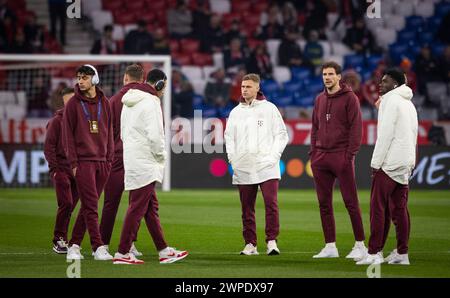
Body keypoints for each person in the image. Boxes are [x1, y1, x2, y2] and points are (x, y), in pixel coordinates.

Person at [112, 69, 188, 265]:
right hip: (146, 160)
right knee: (137, 206)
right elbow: (156, 136)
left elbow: (122, 133)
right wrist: (161, 156)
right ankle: (122, 252)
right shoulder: (151, 102)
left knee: (150, 207)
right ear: (160, 84)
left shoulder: (129, 101)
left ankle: (163, 250)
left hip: (133, 158)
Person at [357, 68, 418, 265]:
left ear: (395, 85)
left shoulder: (390, 101)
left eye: (385, 81)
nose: (380, 84)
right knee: (400, 209)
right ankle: (402, 253)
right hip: (405, 161)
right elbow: (413, 133)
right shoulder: (408, 103)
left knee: (378, 207)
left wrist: (376, 163)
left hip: (390, 163)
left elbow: (385, 135)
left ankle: (374, 253)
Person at [224, 73, 288, 256]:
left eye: (249, 86)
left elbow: (282, 135)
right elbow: (229, 138)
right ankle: (250, 244)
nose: (245, 90)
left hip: (267, 165)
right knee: (247, 208)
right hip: (243, 166)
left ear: (258, 88)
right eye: (243, 87)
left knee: (271, 203)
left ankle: (272, 242)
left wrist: (273, 157)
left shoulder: (269, 109)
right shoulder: (236, 112)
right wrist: (232, 159)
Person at [310, 61, 366, 260]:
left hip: (341, 155)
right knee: (324, 203)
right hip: (321, 157)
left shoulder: (350, 98)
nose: (327, 77)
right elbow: (315, 127)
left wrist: (349, 155)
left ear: (339, 77)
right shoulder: (319, 99)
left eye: (331, 74)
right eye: (324, 74)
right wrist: (313, 152)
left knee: (351, 202)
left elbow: (356, 128)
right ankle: (330, 246)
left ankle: (360, 244)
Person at [64, 65, 114, 261]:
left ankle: (74, 245)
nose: (80, 81)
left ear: (95, 79)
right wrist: (73, 163)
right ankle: (98, 246)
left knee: (88, 205)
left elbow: (110, 131)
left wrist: (109, 158)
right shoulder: (73, 104)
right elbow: (67, 136)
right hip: (83, 162)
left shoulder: (105, 102)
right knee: (92, 206)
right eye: (78, 78)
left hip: (103, 162)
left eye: (84, 77)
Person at [99, 64, 144, 256]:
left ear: (125, 78)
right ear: (141, 80)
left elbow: (104, 132)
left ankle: (103, 244)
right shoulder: (146, 100)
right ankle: (130, 243)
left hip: (115, 156)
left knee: (110, 202)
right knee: (137, 203)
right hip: (137, 156)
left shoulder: (112, 101)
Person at [44, 87, 78, 254]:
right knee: (66, 203)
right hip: (62, 170)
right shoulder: (56, 122)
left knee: (71, 207)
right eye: (68, 100)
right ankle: (58, 239)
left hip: (78, 170)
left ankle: (71, 240)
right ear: (64, 102)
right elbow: (48, 147)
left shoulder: (81, 120)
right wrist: (55, 170)